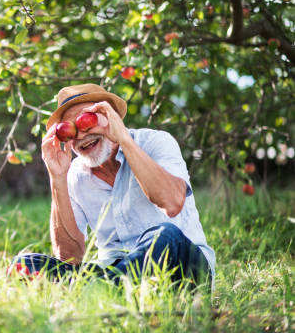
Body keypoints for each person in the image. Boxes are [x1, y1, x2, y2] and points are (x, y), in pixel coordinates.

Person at [11, 84, 215, 288]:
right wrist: (57, 178)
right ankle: (106, 288)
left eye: (86, 121)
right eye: (70, 131)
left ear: (112, 117)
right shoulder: (74, 174)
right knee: (25, 264)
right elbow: (69, 257)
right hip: (112, 269)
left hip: (182, 266)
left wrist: (123, 138)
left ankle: (95, 291)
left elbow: (172, 203)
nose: (80, 136)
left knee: (164, 236)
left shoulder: (155, 142)